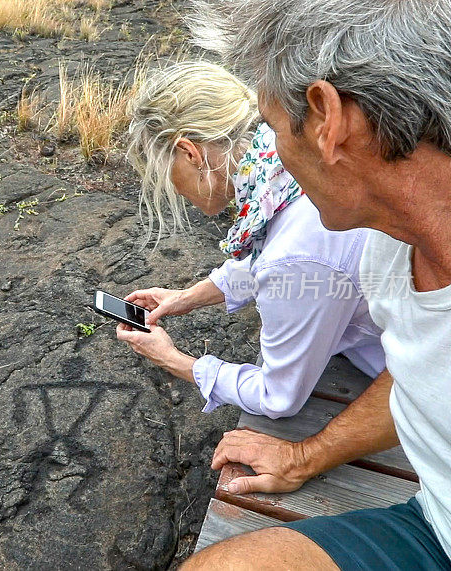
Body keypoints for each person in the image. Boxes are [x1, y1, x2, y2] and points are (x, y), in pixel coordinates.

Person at [181, 0, 451, 569]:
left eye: (275, 127)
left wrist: (182, 360)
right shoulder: (389, 244)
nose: (272, 152)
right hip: (436, 516)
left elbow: (280, 392)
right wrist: (306, 456)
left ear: (326, 120)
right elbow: (415, 368)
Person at [117, 61, 384, 419]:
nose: (177, 192)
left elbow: (278, 397)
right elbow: (279, 267)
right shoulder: (286, 164)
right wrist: (188, 298)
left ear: (190, 153)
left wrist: (176, 361)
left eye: (168, 175)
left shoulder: (295, 253)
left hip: (400, 380)